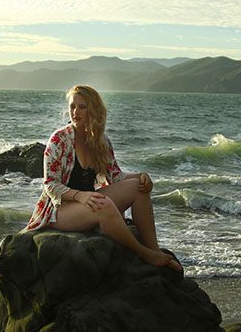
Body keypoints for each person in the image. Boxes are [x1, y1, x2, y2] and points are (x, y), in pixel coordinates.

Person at [26, 85, 181, 273]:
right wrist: (80, 196)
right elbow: (50, 185)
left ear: (93, 110)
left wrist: (140, 176)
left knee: (138, 187)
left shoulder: (101, 141)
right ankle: (144, 253)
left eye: (82, 107)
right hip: (59, 211)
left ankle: (154, 249)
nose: (75, 112)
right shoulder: (59, 139)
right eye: (72, 106)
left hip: (87, 204)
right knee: (103, 203)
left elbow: (115, 176)